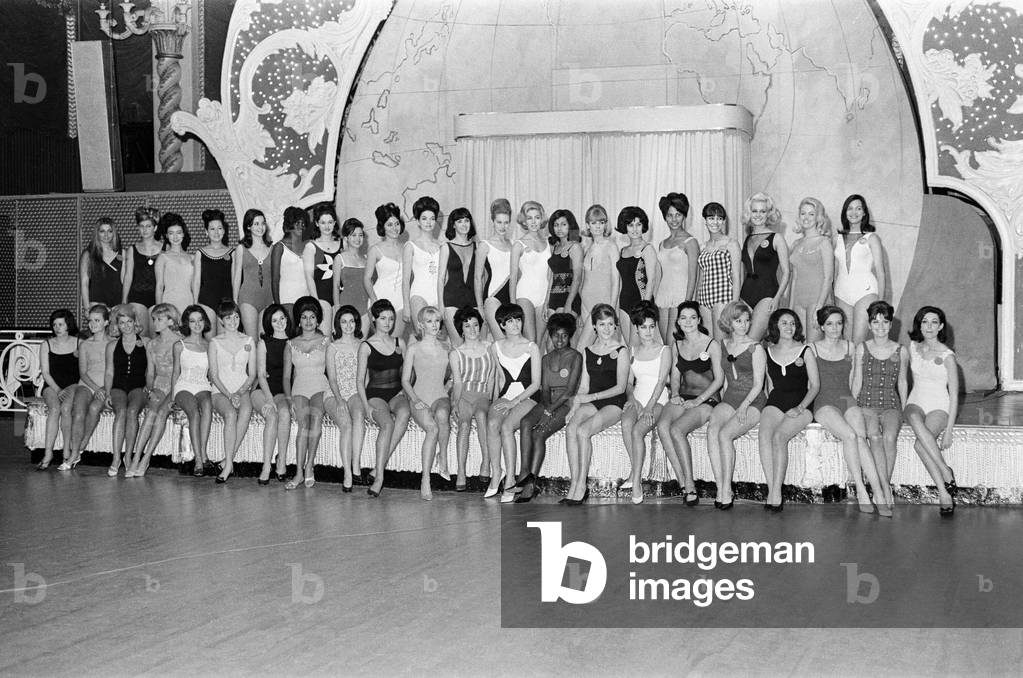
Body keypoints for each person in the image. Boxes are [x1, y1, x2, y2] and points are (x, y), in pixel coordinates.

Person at [811, 306, 890, 515]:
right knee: (850, 435)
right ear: (822, 326)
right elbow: (810, 383)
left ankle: (879, 493)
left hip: (846, 398)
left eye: (839, 323)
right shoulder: (812, 349)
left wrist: (853, 403)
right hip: (823, 401)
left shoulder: (850, 347)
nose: (835, 328)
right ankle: (861, 490)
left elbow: (854, 379)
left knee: (861, 438)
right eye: (829, 324)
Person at [504, 312, 582, 503]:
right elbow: (545, 389)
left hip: (565, 403)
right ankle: (524, 475)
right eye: (556, 335)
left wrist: (549, 411)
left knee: (538, 434)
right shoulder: (546, 358)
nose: (559, 340)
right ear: (550, 335)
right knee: (525, 422)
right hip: (547, 401)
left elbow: (569, 391)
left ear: (570, 336)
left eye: (564, 336)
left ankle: (531, 484)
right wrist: (546, 407)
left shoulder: (576, 357)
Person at [656, 301, 724, 506]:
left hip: (707, 399)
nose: (688, 322)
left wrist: (698, 400)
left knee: (676, 430)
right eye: (683, 318)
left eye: (692, 317)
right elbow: (675, 376)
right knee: (662, 426)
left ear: (699, 320)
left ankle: (691, 485)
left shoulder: (712, 344)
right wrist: (675, 394)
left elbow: (719, 380)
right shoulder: (677, 345)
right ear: (677, 321)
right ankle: (683, 482)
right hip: (684, 395)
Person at [563, 303, 630, 504]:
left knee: (583, 431)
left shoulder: (621, 350)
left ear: (615, 325)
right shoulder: (588, 351)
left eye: (610, 324)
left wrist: (591, 398)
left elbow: (621, 388)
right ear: (594, 326)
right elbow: (584, 387)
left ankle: (582, 485)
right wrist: (574, 407)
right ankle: (574, 483)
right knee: (571, 428)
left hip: (614, 402)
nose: (606, 329)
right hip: (593, 400)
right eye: (602, 324)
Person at [758, 309, 819, 511]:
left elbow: (815, 386)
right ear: (775, 326)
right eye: (784, 323)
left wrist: (800, 408)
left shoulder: (805, 350)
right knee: (764, 436)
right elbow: (769, 385)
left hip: (802, 402)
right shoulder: (768, 351)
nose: (789, 327)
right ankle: (772, 489)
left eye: (792, 323)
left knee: (779, 437)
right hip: (777, 400)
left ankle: (776, 492)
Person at [707, 301, 766, 509]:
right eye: (738, 321)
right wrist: (724, 401)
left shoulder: (755, 348)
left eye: (747, 320)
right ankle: (720, 486)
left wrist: (743, 407)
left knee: (725, 434)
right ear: (729, 322)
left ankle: (727, 489)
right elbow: (723, 378)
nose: (744, 325)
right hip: (731, 397)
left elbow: (758, 384)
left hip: (753, 400)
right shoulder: (723, 344)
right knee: (713, 430)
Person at [904, 306, 959, 516]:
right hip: (915, 402)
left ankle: (944, 493)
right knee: (913, 417)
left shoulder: (948, 356)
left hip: (939, 405)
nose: (929, 326)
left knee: (920, 445)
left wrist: (949, 430)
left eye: (934, 322)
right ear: (919, 325)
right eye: (924, 322)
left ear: (941, 326)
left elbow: (954, 395)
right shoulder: (912, 347)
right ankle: (945, 470)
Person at [852, 300, 907, 502]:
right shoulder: (862, 348)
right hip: (866, 403)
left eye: (885, 322)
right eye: (875, 322)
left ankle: (884, 485)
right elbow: (857, 380)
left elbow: (902, 382)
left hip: (891, 404)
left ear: (891, 324)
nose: (880, 326)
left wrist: (904, 409)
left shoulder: (901, 350)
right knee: (874, 436)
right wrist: (852, 407)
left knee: (889, 437)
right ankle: (883, 489)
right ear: (869, 325)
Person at [485, 303, 541, 498]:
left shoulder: (532, 347)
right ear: (502, 325)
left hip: (528, 397)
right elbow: (499, 378)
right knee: (492, 423)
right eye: (510, 321)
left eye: (518, 320)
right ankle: (496, 473)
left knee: (507, 426)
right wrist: (494, 402)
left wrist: (513, 402)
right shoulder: (495, 347)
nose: (515, 324)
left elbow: (536, 384)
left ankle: (510, 479)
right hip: (506, 395)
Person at [358, 299, 411, 497]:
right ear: (374, 320)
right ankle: (379, 477)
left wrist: (404, 389)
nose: (388, 323)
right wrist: (366, 407)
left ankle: (377, 467)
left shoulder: (399, 342)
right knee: (387, 424)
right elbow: (359, 381)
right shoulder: (366, 346)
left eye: (391, 318)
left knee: (404, 412)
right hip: (375, 394)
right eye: (383, 318)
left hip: (396, 393)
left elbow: (409, 373)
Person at [620, 303, 670, 504]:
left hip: (658, 400)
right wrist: (632, 399)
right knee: (626, 423)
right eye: (643, 327)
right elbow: (628, 383)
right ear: (636, 328)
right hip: (638, 397)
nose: (648, 331)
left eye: (651, 326)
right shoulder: (631, 350)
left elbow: (661, 381)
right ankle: (636, 471)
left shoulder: (664, 350)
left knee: (637, 431)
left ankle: (636, 482)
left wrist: (649, 406)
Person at [124, 304, 181, 477]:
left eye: (159, 319)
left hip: (177, 385)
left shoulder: (180, 342)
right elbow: (150, 373)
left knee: (162, 412)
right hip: (159, 384)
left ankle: (146, 458)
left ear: (170, 321)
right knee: (151, 413)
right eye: (154, 319)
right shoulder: (152, 344)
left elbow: (181, 372)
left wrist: (173, 393)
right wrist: (150, 390)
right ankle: (136, 458)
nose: (155, 322)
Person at [402, 306, 453, 500]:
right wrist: (415, 399)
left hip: (440, 395)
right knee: (432, 428)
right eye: (430, 321)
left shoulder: (446, 347)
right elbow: (405, 381)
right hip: (419, 396)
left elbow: (455, 375)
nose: (434, 325)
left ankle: (443, 457)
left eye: (437, 321)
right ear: (421, 325)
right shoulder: (413, 348)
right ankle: (425, 479)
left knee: (442, 415)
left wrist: (448, 387)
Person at [282, 296, 329, 489]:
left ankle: (309, 466)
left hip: (320, 386)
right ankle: (299, 473)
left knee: (315, 419)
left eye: (312, 317)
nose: (308, 321)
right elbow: (286, 377)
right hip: (300, 388)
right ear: (299, 321)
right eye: (304, 317)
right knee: (303, 425)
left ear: (318, 320)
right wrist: (289, 399)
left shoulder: (326, 341)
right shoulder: (290, 344)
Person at [208, 300, 255, 483]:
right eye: (228, 318)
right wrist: (229, 395)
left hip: (242, 389)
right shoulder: (214, 342)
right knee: (230, 414)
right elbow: (214, 375)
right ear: (221, 320)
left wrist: (240, 392)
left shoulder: (248, 341)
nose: (233, 321)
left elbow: (252, 374)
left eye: (236, 317)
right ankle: (228, 464)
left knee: (246, 410)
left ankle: (227, 461)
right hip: (220, 390)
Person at [449, 306, 495, 491]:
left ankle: (486, 463)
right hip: (464, 394)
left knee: (482, 416)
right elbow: (457, 383)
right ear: (461, 329)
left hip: (483, 394)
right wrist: (454, 403)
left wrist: (492, 400)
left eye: (475, 325)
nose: (472, 329)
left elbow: (491, 379)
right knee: (464, 424)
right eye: (467, 326)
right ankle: (461, 471)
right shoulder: (456, 353)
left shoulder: (490, 347)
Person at [61, 304, 110, 471]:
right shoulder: (85, 345)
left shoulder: (113, 343)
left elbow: (113, 372)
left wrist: (104, 389)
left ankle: (82, 445)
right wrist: (96, 388)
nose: (92, 324)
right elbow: (82, 373)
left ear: (106, 322)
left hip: (105, 385)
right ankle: (74, 453)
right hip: (87, 384)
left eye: (97, 320)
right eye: (90, 321)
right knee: (79, 412)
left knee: (95, 408)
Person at [834, 194, 888, 344]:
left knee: (858, 341)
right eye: (850, 208)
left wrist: (880, 304)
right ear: (845, 212)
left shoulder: (872, 238)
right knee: (846, 343)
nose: (854, 212)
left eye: (858, 208)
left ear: (864, 213)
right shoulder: (836, 239)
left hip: (866, 293)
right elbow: (834, 272)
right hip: (841, 293)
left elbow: (881, 273)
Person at [251, 304, 293, 484]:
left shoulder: (294, 342)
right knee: (272, 416)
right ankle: (266, 466)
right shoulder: (263, 343)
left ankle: (281, 461)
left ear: (287, 319)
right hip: (263, 390)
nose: (279, 323)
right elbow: (261, 375)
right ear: (269, 323)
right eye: (275, 320)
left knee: (285, 413)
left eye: (282, 318)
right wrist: (269, 399)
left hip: (283, 391)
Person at [739, 193, 790, 341]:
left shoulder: (777, 238)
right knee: (743, 340)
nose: (758, 215)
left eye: (762, 211)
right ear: (749, 213)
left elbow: (786, 272)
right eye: (754, 211)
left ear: (768, 214)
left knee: (750, 341)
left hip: (767, 295)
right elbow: (743, 271)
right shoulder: (747, 239)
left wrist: (777, 298)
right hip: (745, 294)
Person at [325, 305, 365, 492]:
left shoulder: (362, 345)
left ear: (356, 323)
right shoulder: (332, 347)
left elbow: (365, 376)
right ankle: (347, 472)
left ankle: (356, 464)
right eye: (344, 322)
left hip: (355, 391)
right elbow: (332, 378)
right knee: (346, 424)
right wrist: (340, 400)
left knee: (359, 415)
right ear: (338, 324)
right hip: (334, 393)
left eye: (351, 321)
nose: (348, 326)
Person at [105, 308, 149, 476]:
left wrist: (149, 386)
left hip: (138, 386)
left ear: (134, 321)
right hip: (118, 386)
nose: (126, 326)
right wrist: (107, 393)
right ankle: (116, 458)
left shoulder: (146, 342)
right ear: (117, 325)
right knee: (121, 411)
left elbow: (151, 370)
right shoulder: (111, 346)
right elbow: (109, 372)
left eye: (129, 321)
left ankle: (128, 457)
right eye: (122, 323)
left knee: (132, 411)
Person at [173, 305, 215, 477]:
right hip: (184, 385)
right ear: (187, 324)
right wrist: (172, 396)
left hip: (203, 385)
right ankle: (198, 459)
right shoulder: (179, 345)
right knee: (194, 412)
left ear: (204, 322)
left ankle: (203, 453)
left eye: (200, 320)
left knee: (207, 406)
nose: (197, 324)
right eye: (192, 321)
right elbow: (175, 372)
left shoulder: (210, 345)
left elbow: (212, 374)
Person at [654, 193, 700, 342]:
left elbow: (693, 276)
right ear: (665, 217)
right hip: (662, 297)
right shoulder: (662, 244)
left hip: (680, 298)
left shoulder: (690, 242)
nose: (674, 219)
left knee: (673, 342)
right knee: (666, 344)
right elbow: (660, 275)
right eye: (670, 215)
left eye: (678, 215)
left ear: (684, 216)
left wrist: (687, 305)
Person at [788, 198, 834, 342]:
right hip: (798, 300)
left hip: (817, 300)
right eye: (803, 213)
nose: (806, 217)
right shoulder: (796, 244)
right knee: (800, 347)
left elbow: (829, 278)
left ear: (818, 217)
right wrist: (790, 309)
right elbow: (794, 278)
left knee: (812, 348)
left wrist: (819, 307)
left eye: (811, 214)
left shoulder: (824, 242)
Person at [38, 309, 79, 469]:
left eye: (61, 324)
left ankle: (66, 451)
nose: (57, 328)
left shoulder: (79, 343)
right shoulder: (46, 344)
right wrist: (57, 389)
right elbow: (45, 373)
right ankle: (48, 453)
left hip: (73, 385)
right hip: (51, 385)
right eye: (54, 325)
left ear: (68, 324)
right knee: (54, 409)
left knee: (66, 408)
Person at [695, 202, 741, 339]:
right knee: (709, 343)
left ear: (724, 221)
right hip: (704, 299)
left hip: (723, 297)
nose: (715, 222)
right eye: (711, 218)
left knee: (721, 343)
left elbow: (737, 276)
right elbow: (701, 278)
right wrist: (696, 302)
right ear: (705, 220)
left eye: (719, 218)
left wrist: (734, 304)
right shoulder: (702, 246)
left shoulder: (731, 243)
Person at [577, 205, 620, 348]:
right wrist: (580, 307)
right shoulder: (586, 247)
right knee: (590, 349)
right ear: (587, 225)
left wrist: (612, 309)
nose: (598, 226)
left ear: (606, 224)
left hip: (604, 304)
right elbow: (582, 280)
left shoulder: (611, 246)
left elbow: (616, 280)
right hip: (586, 305)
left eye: (601, 222)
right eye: (594, 222)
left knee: (584, 347)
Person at [615, 206, 659, 344]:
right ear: (625, 226)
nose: (635, 229)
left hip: (641, 303)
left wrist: (645, 308)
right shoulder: (622, 251)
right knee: (630, 348)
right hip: (624, 304)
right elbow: (621, 281)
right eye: (630, 225)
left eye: (638, 224)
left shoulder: (648, 249)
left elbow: (651, 280)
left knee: (639, 347)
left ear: (643, 226)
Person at [509, 201, 551, 342]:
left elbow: (551, 274)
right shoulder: (518, 245)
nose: (533, 222)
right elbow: (513, 277)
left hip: (543, 297)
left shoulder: (549, 243)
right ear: (524, 221)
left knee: (539, 342)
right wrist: (512, 305)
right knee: (530, 341)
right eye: (529, 218)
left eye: (537, 217)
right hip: (524, 295)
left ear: (542, 219)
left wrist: (548, 300)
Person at [437, 207, 478, 346]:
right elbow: (440, 279)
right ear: (453, 225)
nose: (464, 224)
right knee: (458, 344)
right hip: (451, 301)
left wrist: (481, 304)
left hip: (472, 300)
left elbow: (481, 278)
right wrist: (441, 306)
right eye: (459, 221)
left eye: (467, 220)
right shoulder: (446, 247)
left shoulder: (477, 246)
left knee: (473, 344)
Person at [365, 203, 407, 339]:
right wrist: (374, 301)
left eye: (397, 224)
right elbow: (367, 279)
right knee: (381, 342)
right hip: (380, 298)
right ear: (382, 227)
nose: (394, 228)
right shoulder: (375, 249)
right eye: (389, 224)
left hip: (401, 301)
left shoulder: (407, 248)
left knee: (396, 342)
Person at [474, 198, 514, 339]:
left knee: (512, 340)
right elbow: (477, 278)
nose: (503, 226)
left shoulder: (514, 244)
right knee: (501, 340)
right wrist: (480, 307)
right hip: (493, 297)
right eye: (499, 222)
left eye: (506, 222)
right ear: (493, 221)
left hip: (511, 296)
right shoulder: (485, 245)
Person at [233, 208, 274, 342]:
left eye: (262, 223)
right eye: (256, 224)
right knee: (252, 340)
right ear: (248, 226)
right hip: (248, 299)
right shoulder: (241, 248)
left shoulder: (272, 248)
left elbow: (275, 277)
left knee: (263, 342)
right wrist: (235, 300)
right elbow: (237, 276)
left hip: (268, 299)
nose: (260, 227)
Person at [193, 209, 236, 336]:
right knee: (209, 341)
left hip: (226, 303)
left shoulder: (232, 252)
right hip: (206, 301)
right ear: (206, 232)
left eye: (219, 228)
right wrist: (195, 304)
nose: (216, 232)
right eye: (212, 229)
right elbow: (196, 281)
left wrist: (235, 302)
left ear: (224, 230)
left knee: (224, 340)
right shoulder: (200, 253)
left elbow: (235, 281)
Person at [403, 196, 443, 332]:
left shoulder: (442, 246)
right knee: (422, 335)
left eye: (432, 218)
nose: (428, 222)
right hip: (419, 294)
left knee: (438, 338)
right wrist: (406, 307)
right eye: (424, 218)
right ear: (418, 221)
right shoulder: (410, 246)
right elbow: (405, 280)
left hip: (438, 296)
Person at [122, 206, 162, 336]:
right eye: (141, 226)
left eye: (148, 226)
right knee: (141, 335)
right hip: (137, 296)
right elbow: (128, 276)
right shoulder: (132, 249)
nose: (144, 230)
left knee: (156, 336)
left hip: (157, 296)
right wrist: (124, 300)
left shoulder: (164, 249)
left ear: (155, 228)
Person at [303, 203, 341, 335]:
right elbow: (309, 277)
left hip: (340, 298)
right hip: (321, 298)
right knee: (325, 338)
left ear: (335, 223)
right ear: (317, 223)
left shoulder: (342, 244)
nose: (327, 226)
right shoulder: (311, 246)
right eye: (323, 222)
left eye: (330, 222)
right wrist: (316, 303)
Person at [543, 209, 583, 330]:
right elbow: (552, 277)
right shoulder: (555, 247)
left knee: (562, 336)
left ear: (570, 226)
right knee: (551, 339)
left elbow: (577, 279)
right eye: (556, 225)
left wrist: (568, 304)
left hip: (569, 297)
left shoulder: (575, 247)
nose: (559, 228)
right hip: (554, 298)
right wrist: (546, 302)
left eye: (563, 224)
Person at [154, 212, 194, 321]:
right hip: (169, 305)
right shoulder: (163, 258)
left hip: (189, 303)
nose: (175, 237)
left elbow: (194, 286)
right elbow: (159, 286)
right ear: (167, 235)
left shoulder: (192, 258)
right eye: (171, 233)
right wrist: (159, 311)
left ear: (183, 234)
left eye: (178, 233)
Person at [333, 218, 369, 336]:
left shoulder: (366, 259)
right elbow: (336, 286)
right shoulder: (340, 258)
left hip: (365, 308)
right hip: (346, 307)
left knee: (362, 342)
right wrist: (337, 310)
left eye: (360, 235)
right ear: (346, 238)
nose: (358, 238)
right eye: (353, 235)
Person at [271, 206, 309, 317]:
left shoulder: (308, 246)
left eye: (303, 224)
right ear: (290, 224)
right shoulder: (279, 247)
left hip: (305, 300)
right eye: (297, 223)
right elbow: (275, 280)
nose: (301, 226)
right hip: (286, 300)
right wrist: (278, 306)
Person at [79, 218, 122, 313]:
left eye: (109, 231)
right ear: (97, 233)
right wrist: (87, 308)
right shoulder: (88, 254)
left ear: (114, 233)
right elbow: (84, 282)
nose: (106, 235)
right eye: (102, 231)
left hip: (117, 304)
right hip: (96, 303)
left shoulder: (122, 253)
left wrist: (124, 304)